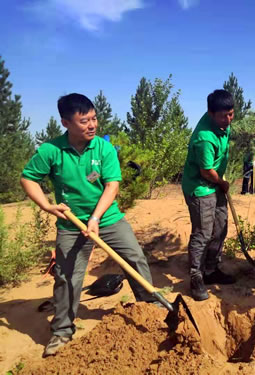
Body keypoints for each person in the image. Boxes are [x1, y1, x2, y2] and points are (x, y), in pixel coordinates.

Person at [20, 93, 157, 358]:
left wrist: (95, 219)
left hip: (107, 218)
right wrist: (47, 206)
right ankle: (61, 331)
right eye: (84, 121)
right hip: (71, 224)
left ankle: (151, 307)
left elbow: (111, 185)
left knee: (134, 258)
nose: (92, 125)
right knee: (67, 276)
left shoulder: (104, 149)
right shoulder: (51, 151)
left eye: (94, 118)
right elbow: (28, 179)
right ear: (66, 123)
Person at [181, 89, 236, 301]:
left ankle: (212, 270)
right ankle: (196, 276)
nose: (229, 119)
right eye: (224, 115)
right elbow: (206, 171)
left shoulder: (224, 124)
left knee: (220, 228)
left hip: (215, 184)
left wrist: (219, 182)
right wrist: (222, 182)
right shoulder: (204, 138)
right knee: (203, 232)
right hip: (200, 186)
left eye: (231, 113)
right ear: (211, 113)